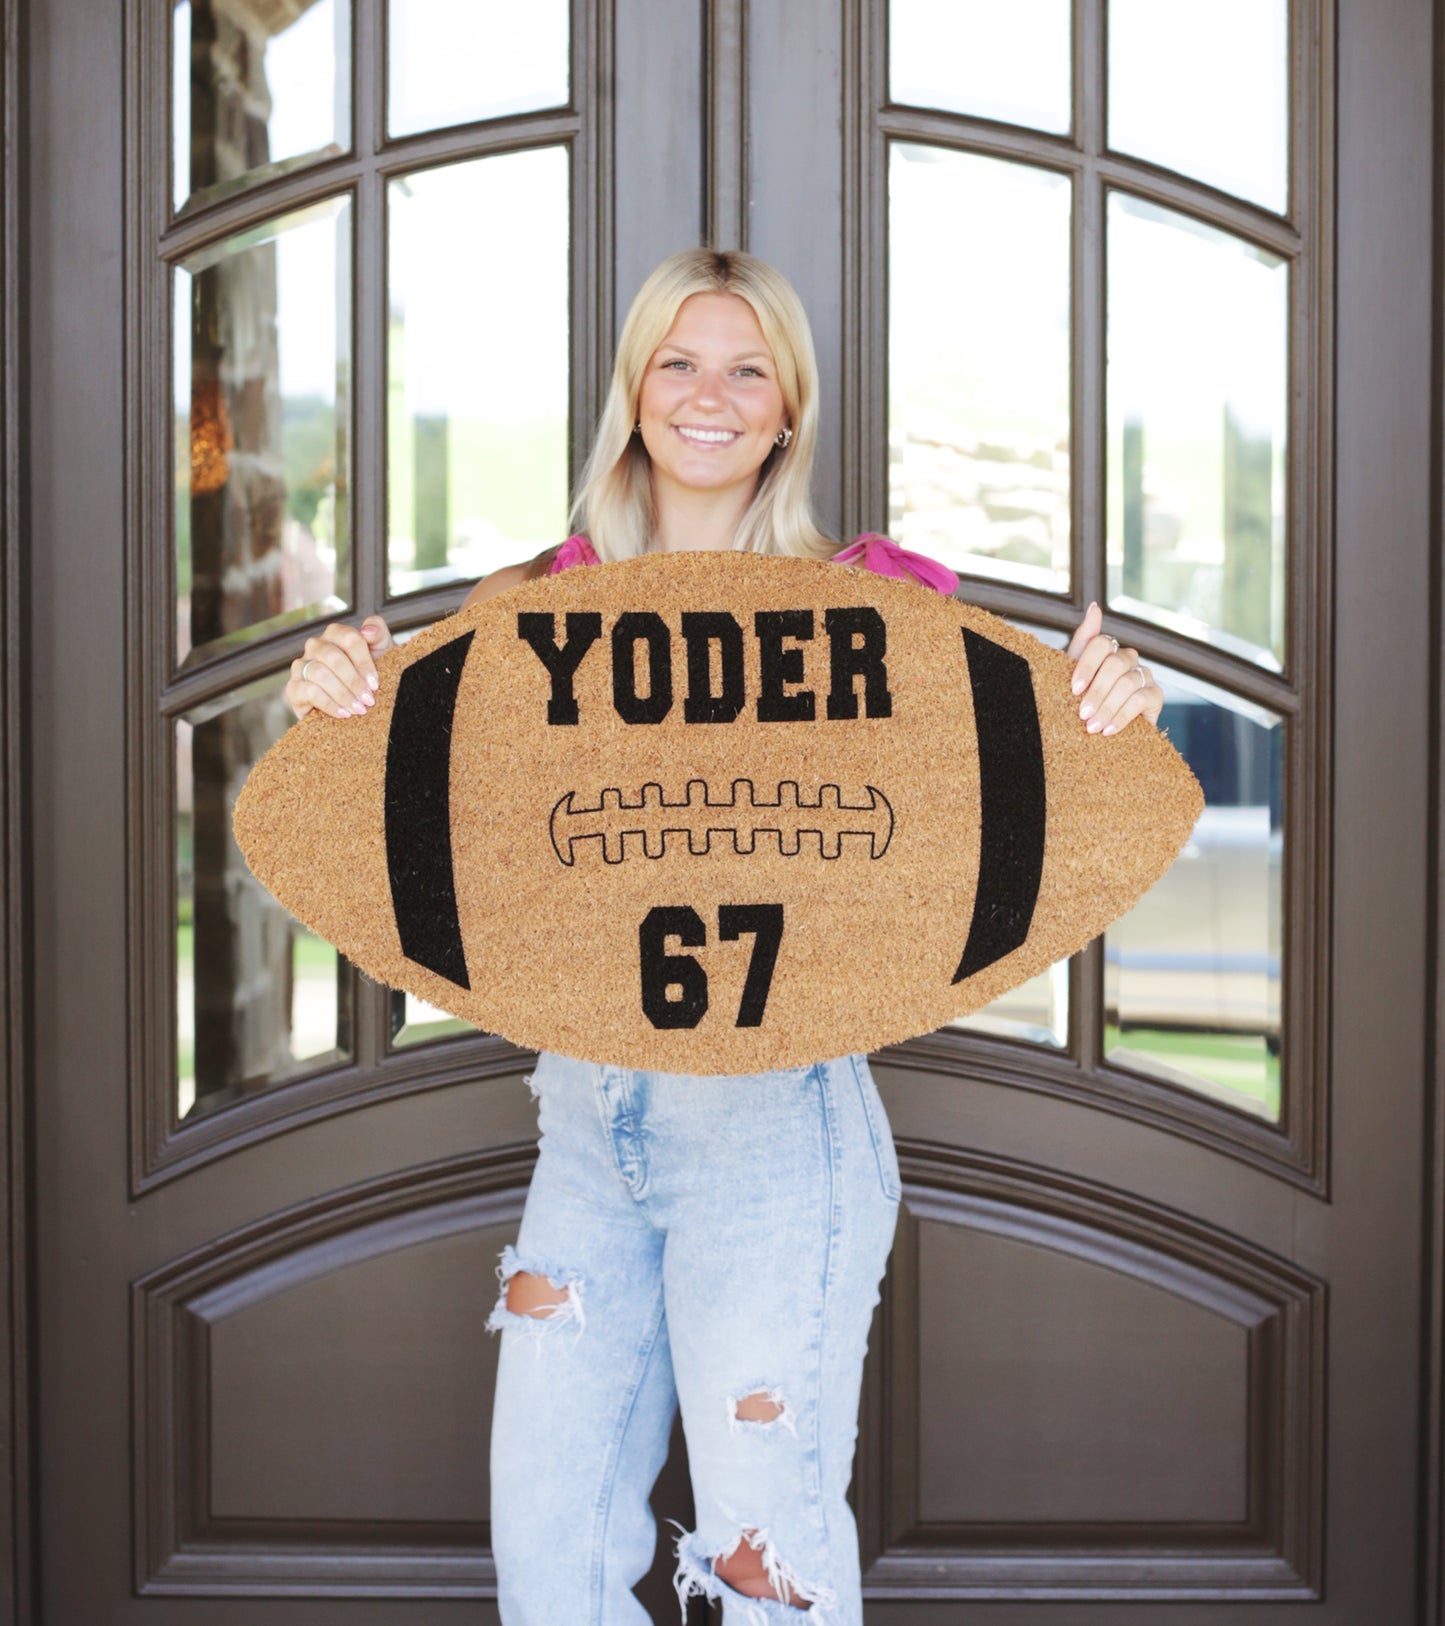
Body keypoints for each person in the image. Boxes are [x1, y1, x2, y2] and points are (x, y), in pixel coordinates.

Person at [283, 248, 1163, 1624]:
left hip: (777, 1144)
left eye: (749, 368)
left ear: (789, 410)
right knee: (551, 1569)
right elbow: (414, 791)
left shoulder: (870, 601)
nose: (711, 394)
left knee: (774, 1579)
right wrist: (334, 691)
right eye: (679, 361)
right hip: (584, 1128)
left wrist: (1107, 700)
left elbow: (1021, 759)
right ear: (633, 392)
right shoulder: (534, 607)